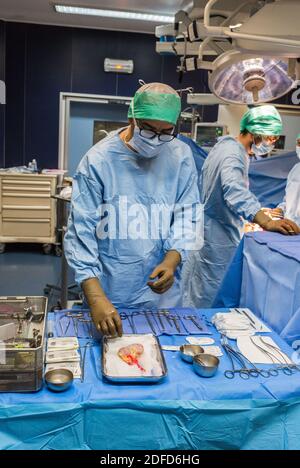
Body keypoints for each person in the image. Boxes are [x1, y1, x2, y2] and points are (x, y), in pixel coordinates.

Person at [64, 82, 201, 337]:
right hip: (112, 291)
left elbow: (188, 214)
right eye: (148, 129)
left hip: (163, 294)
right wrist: (95, 298)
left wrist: (172, 260)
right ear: (131, 118)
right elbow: (81, 234)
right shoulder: (98, 161)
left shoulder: (180, 154)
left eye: (166, 132)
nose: (156, 140)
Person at [182, 105, 300, 308]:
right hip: (218, 238)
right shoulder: (232, 154)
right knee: (210, 298)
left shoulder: (226, 147)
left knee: (197, 294)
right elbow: (234, 191)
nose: (272, 142)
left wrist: (258, 213)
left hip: (211, 230)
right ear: (256, 132)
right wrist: (264, 221)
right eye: (271, 138)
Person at [272, 133, 300, 224]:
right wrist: (281, 210)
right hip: (290, 227)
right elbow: (289, 200)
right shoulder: (296, 169)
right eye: (299, 143)